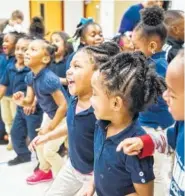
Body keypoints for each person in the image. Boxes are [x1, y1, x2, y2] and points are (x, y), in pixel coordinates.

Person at [28, 42, 120, 195]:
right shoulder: (74, 98)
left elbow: (109, 153)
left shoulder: (101, 111)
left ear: (99, 74)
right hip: (73, 167)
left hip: (96, 175)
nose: (69, 71)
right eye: (70, 66)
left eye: (77, 66)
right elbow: (73, 126)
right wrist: (48, 136)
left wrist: (93, 181)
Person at [85, 51, 166, 196]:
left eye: (95, 93)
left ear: (116, 103)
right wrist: (91, 184)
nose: (90, 99)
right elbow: (100, 165)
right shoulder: (102, 124)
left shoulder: (135, 146)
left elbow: (144, 194)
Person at [117, 50, 184, 196]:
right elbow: (168, 139)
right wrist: (145, 142)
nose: (164, 95)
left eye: (171, 92)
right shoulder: (182, 125)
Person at [131, 6, 174, 196]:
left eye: (135, 47)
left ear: (152, 46)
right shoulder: (149, 64)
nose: (133, 50)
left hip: (158, 129)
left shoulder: (160, 68)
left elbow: (156, 100)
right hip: (148, 125)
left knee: (157, 172)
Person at [13, 39, 68, 184]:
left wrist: (50, 128)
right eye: (27, 49)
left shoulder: (49, 79)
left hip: (63, 117)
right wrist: (21, 100)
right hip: (49, 115)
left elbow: (63, 106)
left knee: (49, 151)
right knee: (38, 144)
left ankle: (64, 179)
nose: (27, 52)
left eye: (33, 49)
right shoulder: (30, 76)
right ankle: (45, 171)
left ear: (45, 59)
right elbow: (29, 101)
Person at [0, 35, 43, 165]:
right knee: (15, 132)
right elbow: (3, 85)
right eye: (18, 48)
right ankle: (23, 155)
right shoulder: (10, 66)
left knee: (34, 135)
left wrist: (33, 101)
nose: (20, 52)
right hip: (20, 106)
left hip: (33, 108)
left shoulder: (32, 67)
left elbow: (38, 86)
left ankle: (41, 163)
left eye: (24, 49)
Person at [1, 31, 22, 150]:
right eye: (3, 40)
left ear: (15, 45)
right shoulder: (2, 58)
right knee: (6, 118)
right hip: (4, 96)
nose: (4, 43)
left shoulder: (16, 60)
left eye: (7, 41)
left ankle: (17, 140)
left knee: (16, 119)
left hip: (15, 96)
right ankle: (10, 139)